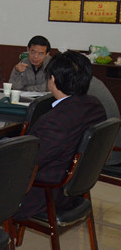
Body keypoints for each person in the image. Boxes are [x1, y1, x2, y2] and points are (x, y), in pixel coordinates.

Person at [16, 51, 106, 220]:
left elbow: (25, 164)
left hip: (47, 194)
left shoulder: (55, 122)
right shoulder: (95, 106)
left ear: (53, 79)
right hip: (76, 186)